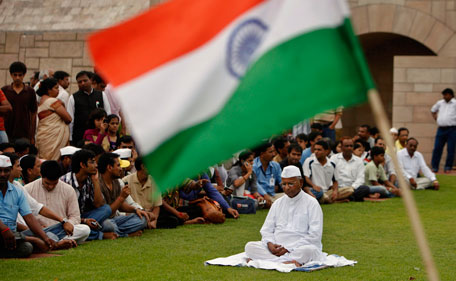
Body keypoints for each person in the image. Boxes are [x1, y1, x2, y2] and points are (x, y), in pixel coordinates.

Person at [245, 166, 324, 267]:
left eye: (291, 183)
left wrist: (288, 248)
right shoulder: (277, 203)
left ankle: (268, 261)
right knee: (250, 246)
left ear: (301, 182)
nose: (286, 187)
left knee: (310, 250)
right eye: (284, 184)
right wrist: (270, 244)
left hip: (299, 248)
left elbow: (315, 235)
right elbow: (266, 230)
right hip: (276, 249)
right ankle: (286, 262)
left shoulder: (312, 203)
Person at [0, 155, 56, 258]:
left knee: (27, 248)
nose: (3, 174)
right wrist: (4, 230)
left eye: (6, 171)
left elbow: (29, 217)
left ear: (10, 171)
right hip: (5, 232)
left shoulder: (17, 191)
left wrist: (45, 237)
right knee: (32, 243)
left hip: (14, 235)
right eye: (0, 171)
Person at [24, 161, 90, 246]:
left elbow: (75, 216)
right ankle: (56, 241)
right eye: (47, 183)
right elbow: (24, 216)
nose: (51, 186)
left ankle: (50, 241)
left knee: (85, 229)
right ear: (41, 175)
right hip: (39, 230)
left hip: (60, 229)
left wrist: (68, 223)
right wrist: (38, 227)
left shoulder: (68, 190)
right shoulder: (27, 189)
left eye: (54, 183)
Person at [60, 149, 117, 240]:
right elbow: (62, 214)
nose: (96, 165)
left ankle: (89, 232)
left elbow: (98, 204)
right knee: (107, 226)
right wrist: (85, 221)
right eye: (92, 162)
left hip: (83, 216)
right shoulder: (65, 182)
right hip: (67, 220)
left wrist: (96, 181)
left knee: (107, 212)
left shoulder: (90, 180)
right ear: (82, 165)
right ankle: (99, 235)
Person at [97, 152, 148, 237]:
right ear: (109, 167)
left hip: (115, 219)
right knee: (108, 225)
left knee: (142, 218)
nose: (121, 169)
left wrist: (136, 210)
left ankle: (117, 232)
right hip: (103, 220)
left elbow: (121, 205)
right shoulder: (98, 184)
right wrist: (121, 197)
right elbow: (105, 213)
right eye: (118, 166)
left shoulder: (116, 182)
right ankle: (126, 234)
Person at [67, 71, 111, 145]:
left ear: (91, 80)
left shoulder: (101, 95)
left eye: (85, 80)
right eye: (80, 82)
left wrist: (106, 130)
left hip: (99, 134)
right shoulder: (73, 98)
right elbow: (71, 120)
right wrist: (70, 138)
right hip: (80, 136)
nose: (82, 83)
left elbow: (108, 113)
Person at [35, 78, 72, 160]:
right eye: (56, 88)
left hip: (44, 138)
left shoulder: (40, 102)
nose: (58, 91)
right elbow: (68, 119)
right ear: (49, 89)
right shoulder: (52, 101)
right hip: (53, 139)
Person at [1, 62, 37, 144]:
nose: (17, 78)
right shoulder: (5, 90)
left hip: (24, 133)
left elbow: (33, 114)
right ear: (11, 75)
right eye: (15, 75)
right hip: (7, 132)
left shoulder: (30, 91)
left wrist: (32, 136)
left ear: (24, 75)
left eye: (20, 75)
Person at [122, 158, 161, 229]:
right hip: (135, 215)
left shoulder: (155, 181)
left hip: (151, 215)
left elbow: (157, 206)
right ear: (143, 166)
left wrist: (154, 220)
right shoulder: (125, 181)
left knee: (171, 220)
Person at [330, 137, 370, 201]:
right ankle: (349, 197)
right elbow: (330, 176)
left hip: (353, 189)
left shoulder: (358, 161)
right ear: (342, 147)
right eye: (346, 146)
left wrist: (352, 188)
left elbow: (361, 178)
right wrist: (335, 189)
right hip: (338, 189)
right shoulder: (334, 158)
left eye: (351, 146)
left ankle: (347, 197)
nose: (349, 148)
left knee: (365, 189)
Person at [430, 88, 456, 173]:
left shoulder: (455, 103)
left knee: (451, 149)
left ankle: (448, 167)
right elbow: (433, 110)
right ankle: (434, 167)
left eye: (447, 94)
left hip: (452, 129)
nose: (446, 96)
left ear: (451, 95)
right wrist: (436, 118)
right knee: (437, 148)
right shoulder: (440, 103)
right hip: (441, 129)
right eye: (444, 94)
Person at [252, 142, 282, 207]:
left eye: (274, 151)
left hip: (272, 195)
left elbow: (282, 181)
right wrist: (265, 194)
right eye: (270, 152)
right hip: (258, 196)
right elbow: (254, 184)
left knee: (290, 197)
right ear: (262, 154)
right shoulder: (253, 165)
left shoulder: (276, 165)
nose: (274, 154)